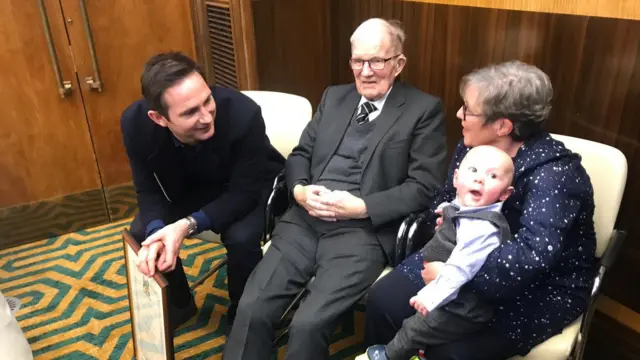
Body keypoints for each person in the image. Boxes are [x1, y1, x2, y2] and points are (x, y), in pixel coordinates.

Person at [223, 18, 447, 360]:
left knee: (308, 324)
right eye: (358, 61)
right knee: (252, 308)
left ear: (398, 64)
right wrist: (298, 190)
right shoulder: (335, 97)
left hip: (362, 232)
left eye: (377, 61)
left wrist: (362, 207)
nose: (366, 71)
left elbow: (423, 188)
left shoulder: (422, 110)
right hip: (303, 221)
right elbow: (300, 155)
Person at [364, 60, 597, 360]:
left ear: (502, 126)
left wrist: (453, 276)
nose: (459, 114)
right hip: (458, 254)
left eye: (468, 110)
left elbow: (531, 258)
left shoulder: (556, 175)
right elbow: (446, 195)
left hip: (537, 285)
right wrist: (441, 217)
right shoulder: (474, 146)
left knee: (449, 352)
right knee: (383, 301)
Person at [120, 52, 285, 330]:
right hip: (189, 187)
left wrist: (186, 226)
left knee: (242, 237)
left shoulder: (244, 113)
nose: (207, 116)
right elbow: (148, 190)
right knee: (144, 234)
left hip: (245, 187)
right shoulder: (134, 123)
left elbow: (244, 192)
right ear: (159, 118)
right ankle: (179, 303)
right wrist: (159, 231)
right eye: (189, 112)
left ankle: (243, 318)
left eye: (207, 101)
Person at [363, 145, 515, 360]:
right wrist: (446, 209)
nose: (480, 179)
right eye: (473, 171)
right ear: (456, 178)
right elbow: (457, 205)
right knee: (393, 304)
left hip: (463, 306)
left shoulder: (483, 230)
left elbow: (459, 269)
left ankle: (388, 355)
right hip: (446, 289)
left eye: (492, 176)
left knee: (416, 327)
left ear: (504, 194)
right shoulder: (469, 206)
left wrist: (429, 297)